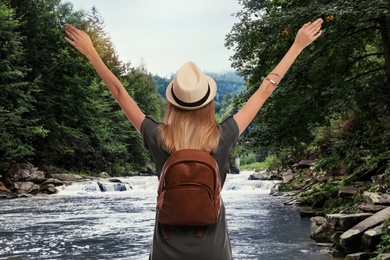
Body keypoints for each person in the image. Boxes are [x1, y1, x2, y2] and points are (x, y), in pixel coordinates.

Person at [65, 18, 323, 260]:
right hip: (213, 249)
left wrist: (91, 52)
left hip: (166, 247)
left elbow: (119, 92)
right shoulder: (223, 135)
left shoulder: (157, 135)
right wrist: (297, 45)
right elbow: (266, 89)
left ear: (172, 103)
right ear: (209, 103)